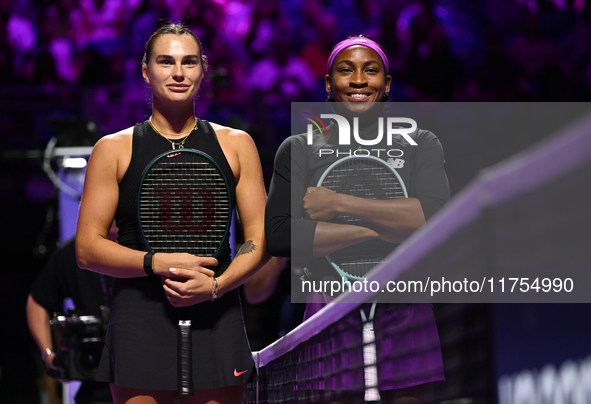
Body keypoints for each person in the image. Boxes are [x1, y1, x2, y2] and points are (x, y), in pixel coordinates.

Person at [75, 23, 268, 404]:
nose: (178, 72)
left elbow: (260, 240)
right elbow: (87, 249)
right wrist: (158, 262)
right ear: (146, 71)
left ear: (202, 70)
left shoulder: (237, 145)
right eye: (166, 62)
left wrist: (215, 286)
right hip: (139, 315)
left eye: (189, 62)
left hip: (217, 309)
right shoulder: (112, 149)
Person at [265, 35, 450, 403]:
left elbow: (434, 219)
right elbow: (281, 235)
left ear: (387, 84)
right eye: (346, 71)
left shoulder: (421, 145)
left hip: (405, 308)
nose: (359, 80)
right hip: (328, 309)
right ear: (329, 84)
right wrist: (387, 226)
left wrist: (336, 203)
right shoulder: (298, 150)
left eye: (371, 70)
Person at [27, 235, 114, 404]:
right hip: (97, 382)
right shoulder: (74, 251)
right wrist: (49, 355)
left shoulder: (150, 246)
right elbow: (37, 302)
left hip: (154, 377)